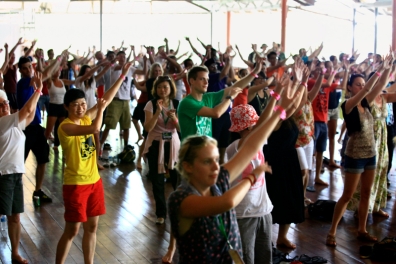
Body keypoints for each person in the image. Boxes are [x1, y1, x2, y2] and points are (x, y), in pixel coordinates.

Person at [168, 74, 299, 263]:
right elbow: (227, 202)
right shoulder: (181, 198)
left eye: (215, 159)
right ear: (187, 166)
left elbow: (254, 143)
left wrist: (281, 109)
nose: (216, 165)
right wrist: (252, 177)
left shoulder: (218, 179)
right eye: (207, 161)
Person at [55, 62, 133, 264]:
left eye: (83, 104)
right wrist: (98, 109)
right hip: (75, 184)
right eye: (76, 105)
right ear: (66, 107)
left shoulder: (85, 118)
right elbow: (96, 128)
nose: (81, 108)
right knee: (72, 230)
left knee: (92, 227)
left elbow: (105, 99)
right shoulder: (66, 126)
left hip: (94, 182)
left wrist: (122, 76)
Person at [326, 54, 392, 247]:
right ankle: (332, 231)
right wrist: (377, 71)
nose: (362, 87)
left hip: (371, 154)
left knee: (366, 193)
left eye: (363, 84)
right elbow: (370, 88)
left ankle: (362, 230)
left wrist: (387, 67)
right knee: (347, 195)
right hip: (355, 155)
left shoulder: (366, 103)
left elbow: (378, 87)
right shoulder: (348, 105)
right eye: (358, 84)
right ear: (349, 88)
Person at [0, 72, 43, 264]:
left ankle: (15, 253)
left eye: (6, 103)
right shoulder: (2, 123)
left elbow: (31, 114)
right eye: (0, 105)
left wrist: (35, 92)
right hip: (3, 175)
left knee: (15, 217)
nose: (5, 105)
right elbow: (26, 112)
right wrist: (38, 90)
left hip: (16, 175)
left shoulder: (14, 124)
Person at [225, 104, 274, 264]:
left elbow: (266, 122)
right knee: (245, 259)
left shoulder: (258, 142)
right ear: (247, 126)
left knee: (264, 255)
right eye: (253, 124)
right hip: (244, 214)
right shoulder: (235, 148)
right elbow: (265, 122)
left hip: (263, 211)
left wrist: (279, 94)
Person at [17, 53, 64, 204]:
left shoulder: (33, 83)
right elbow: (47, 73)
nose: (28, 70)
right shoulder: (24, 83)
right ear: (20, 71)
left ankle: (38, 191)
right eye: (24, 68)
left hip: (36, 128)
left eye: (29, 67)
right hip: (25, 129)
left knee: (43, 159)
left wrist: (57, 61)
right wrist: (57, 59)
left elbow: (47, 73)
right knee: (18, 164)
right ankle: (13, 192)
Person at [143, 76, 180, 225]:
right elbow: (147, 128)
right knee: (157, 181)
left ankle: (178, 210)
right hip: (156, 143)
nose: (162, 90)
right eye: (159, 87)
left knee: (177, 179)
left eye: (165, 87)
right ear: (155, 89)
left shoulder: (177, 103)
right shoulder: (151, 104)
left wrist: (174, 119)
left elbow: (181, 129)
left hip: (173, 144)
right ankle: (161, 213)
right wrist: (158, 112)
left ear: (171, 89)